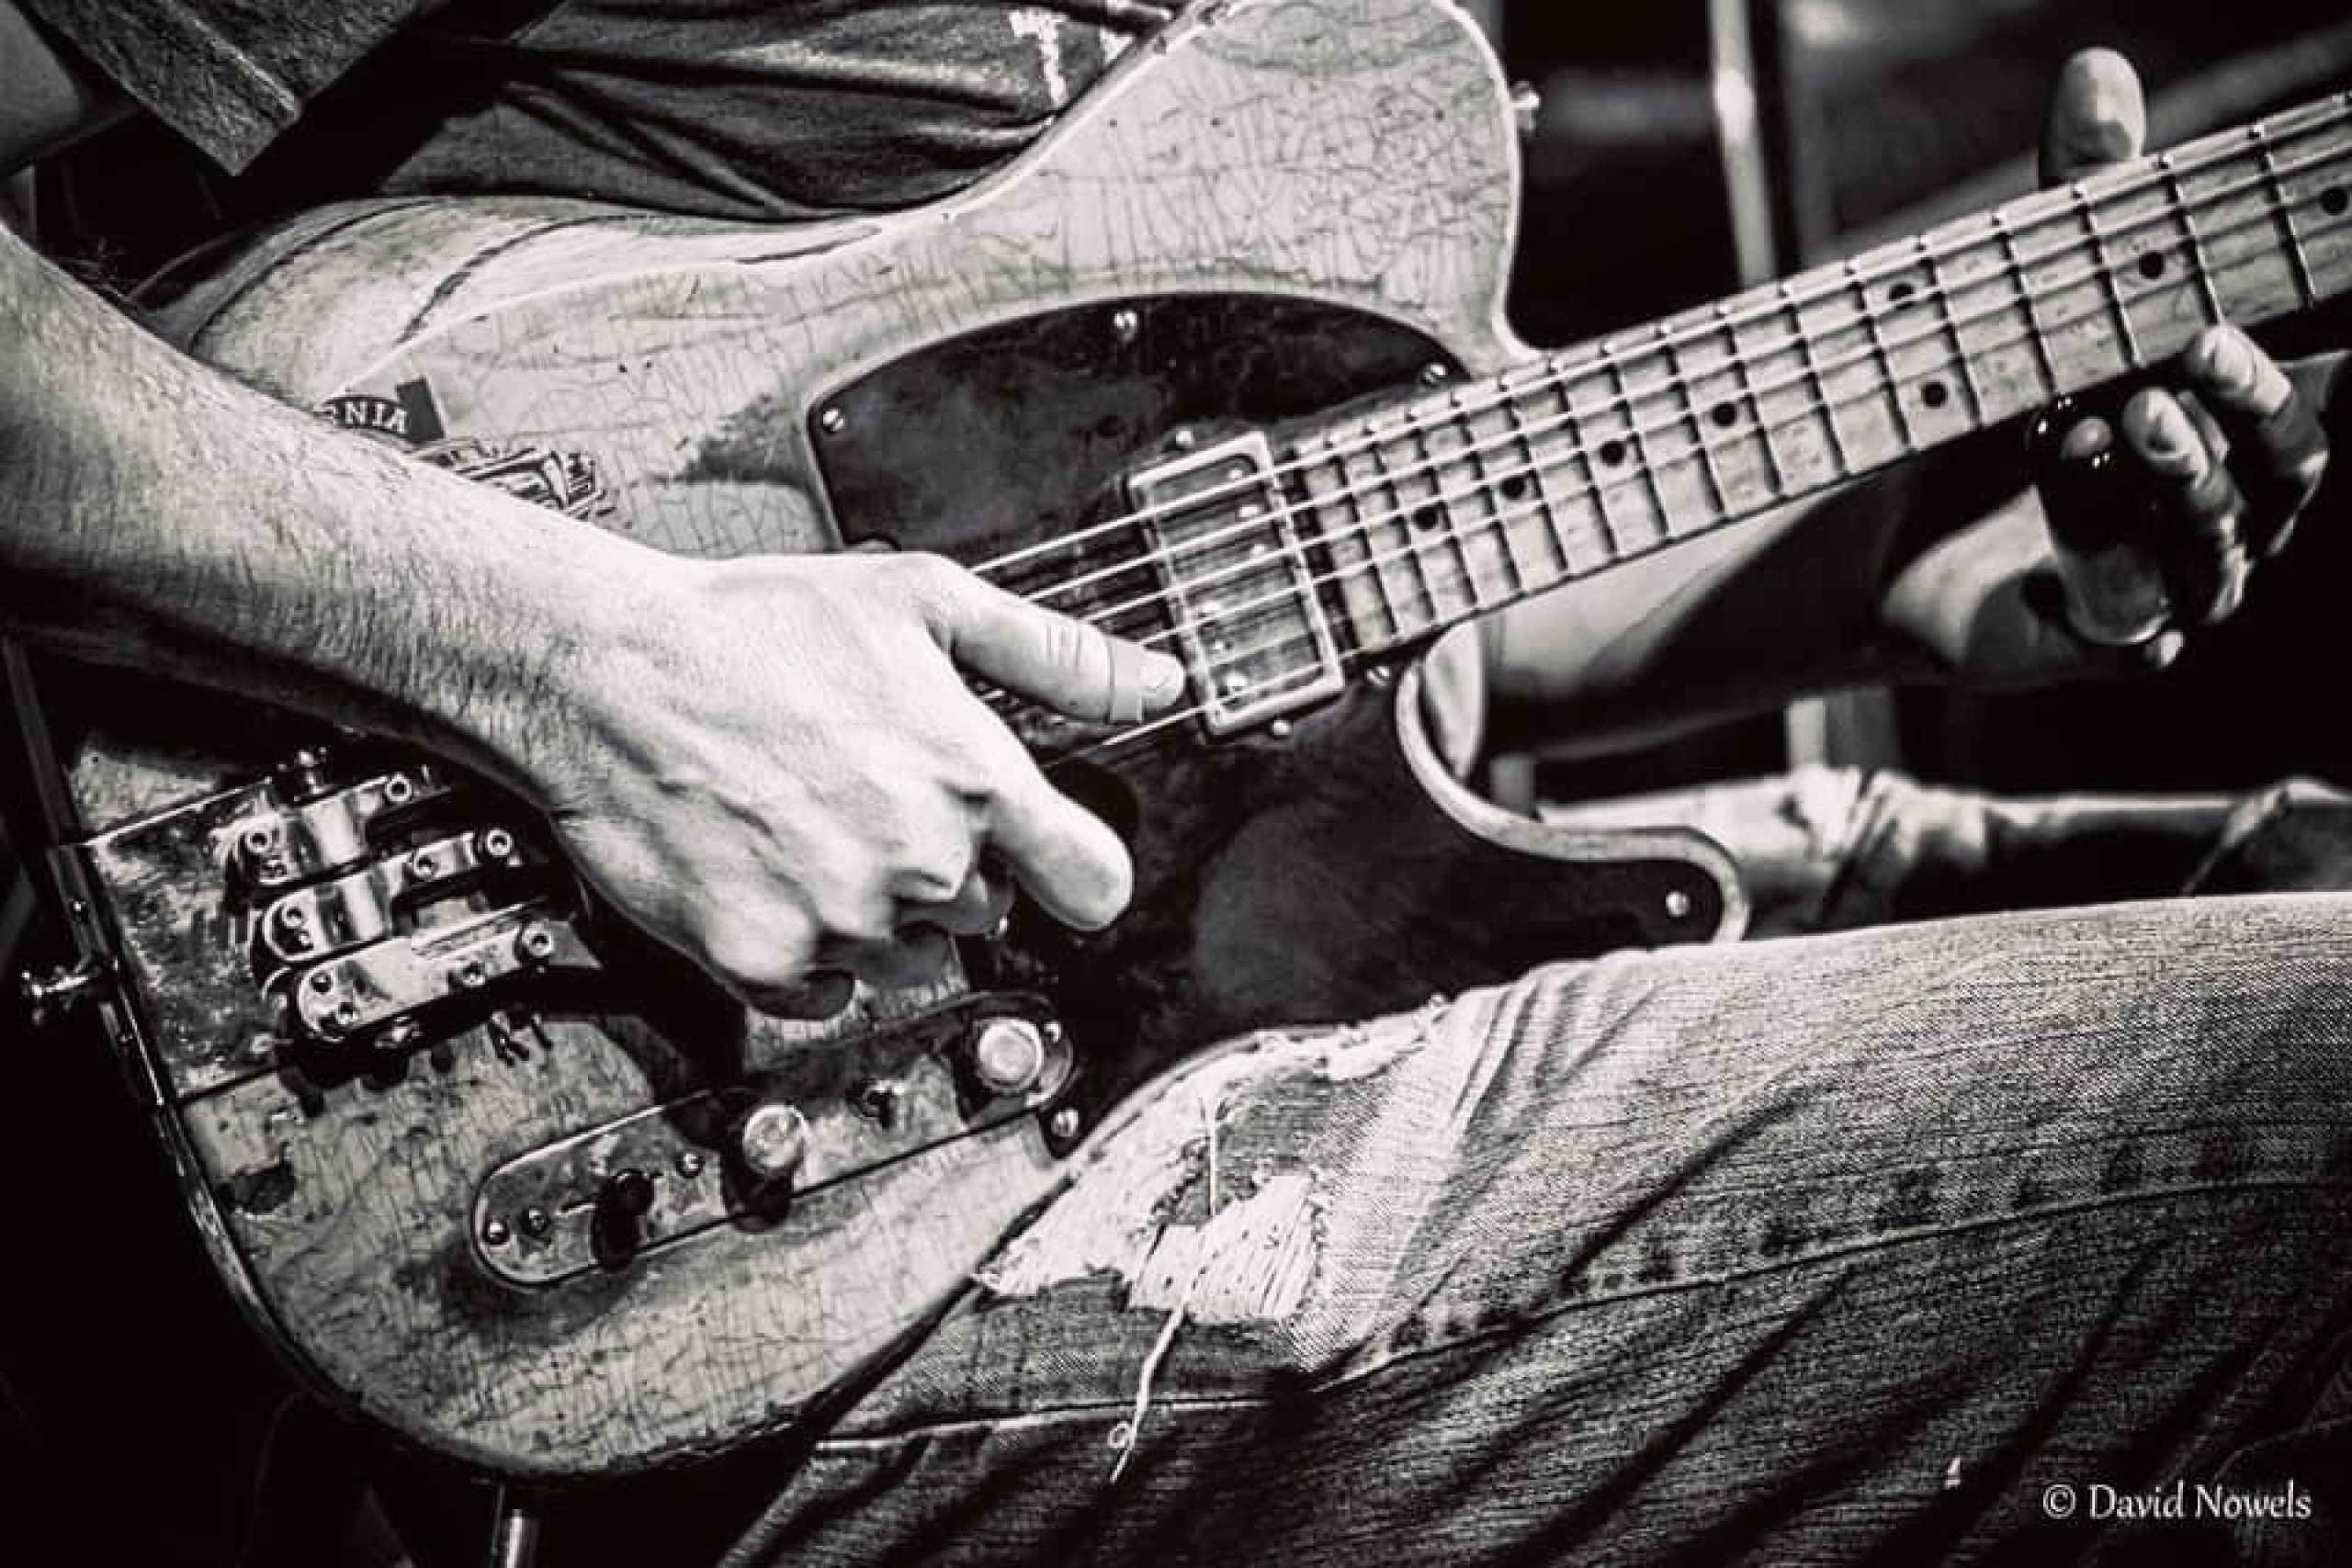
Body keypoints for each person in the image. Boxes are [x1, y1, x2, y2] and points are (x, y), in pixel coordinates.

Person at [0, 3, 2348, 1563]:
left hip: (1029, 1098)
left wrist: (1928, 578)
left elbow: (1274, 593)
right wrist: (574, 654)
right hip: (607, 1120)